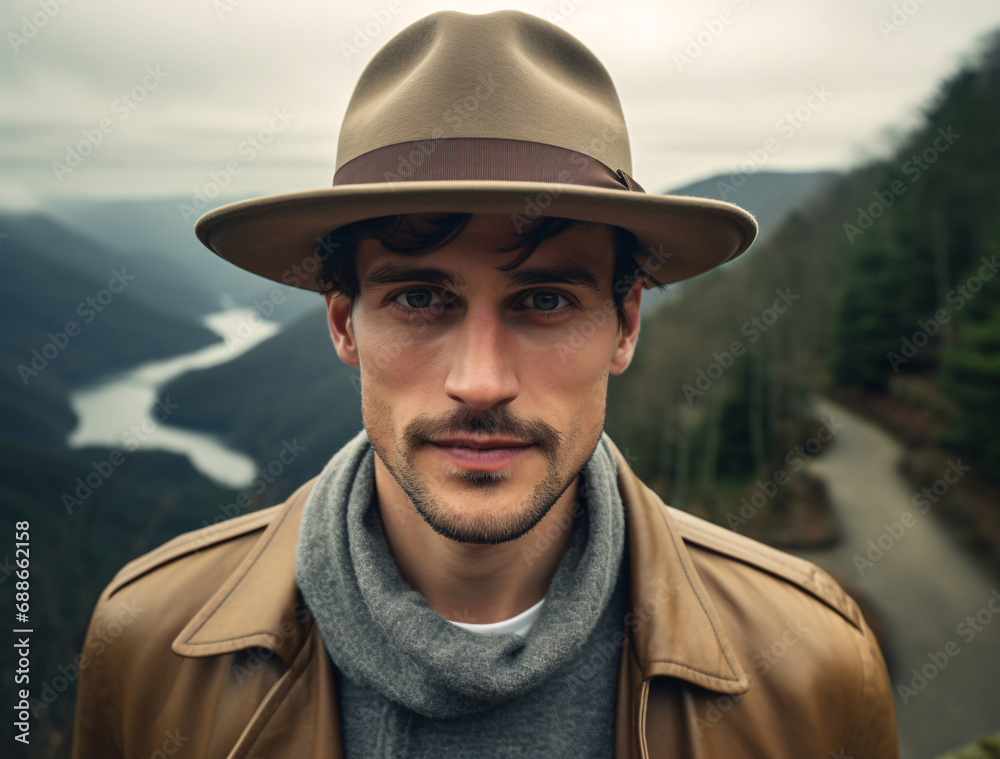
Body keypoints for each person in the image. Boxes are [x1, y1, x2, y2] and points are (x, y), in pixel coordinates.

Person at [71, 9, 899, 758]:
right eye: (421, 299)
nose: (480, 381)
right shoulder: (149, 643)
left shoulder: (813, 669)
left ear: (627, 323)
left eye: (545, 300)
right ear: (343, 323)